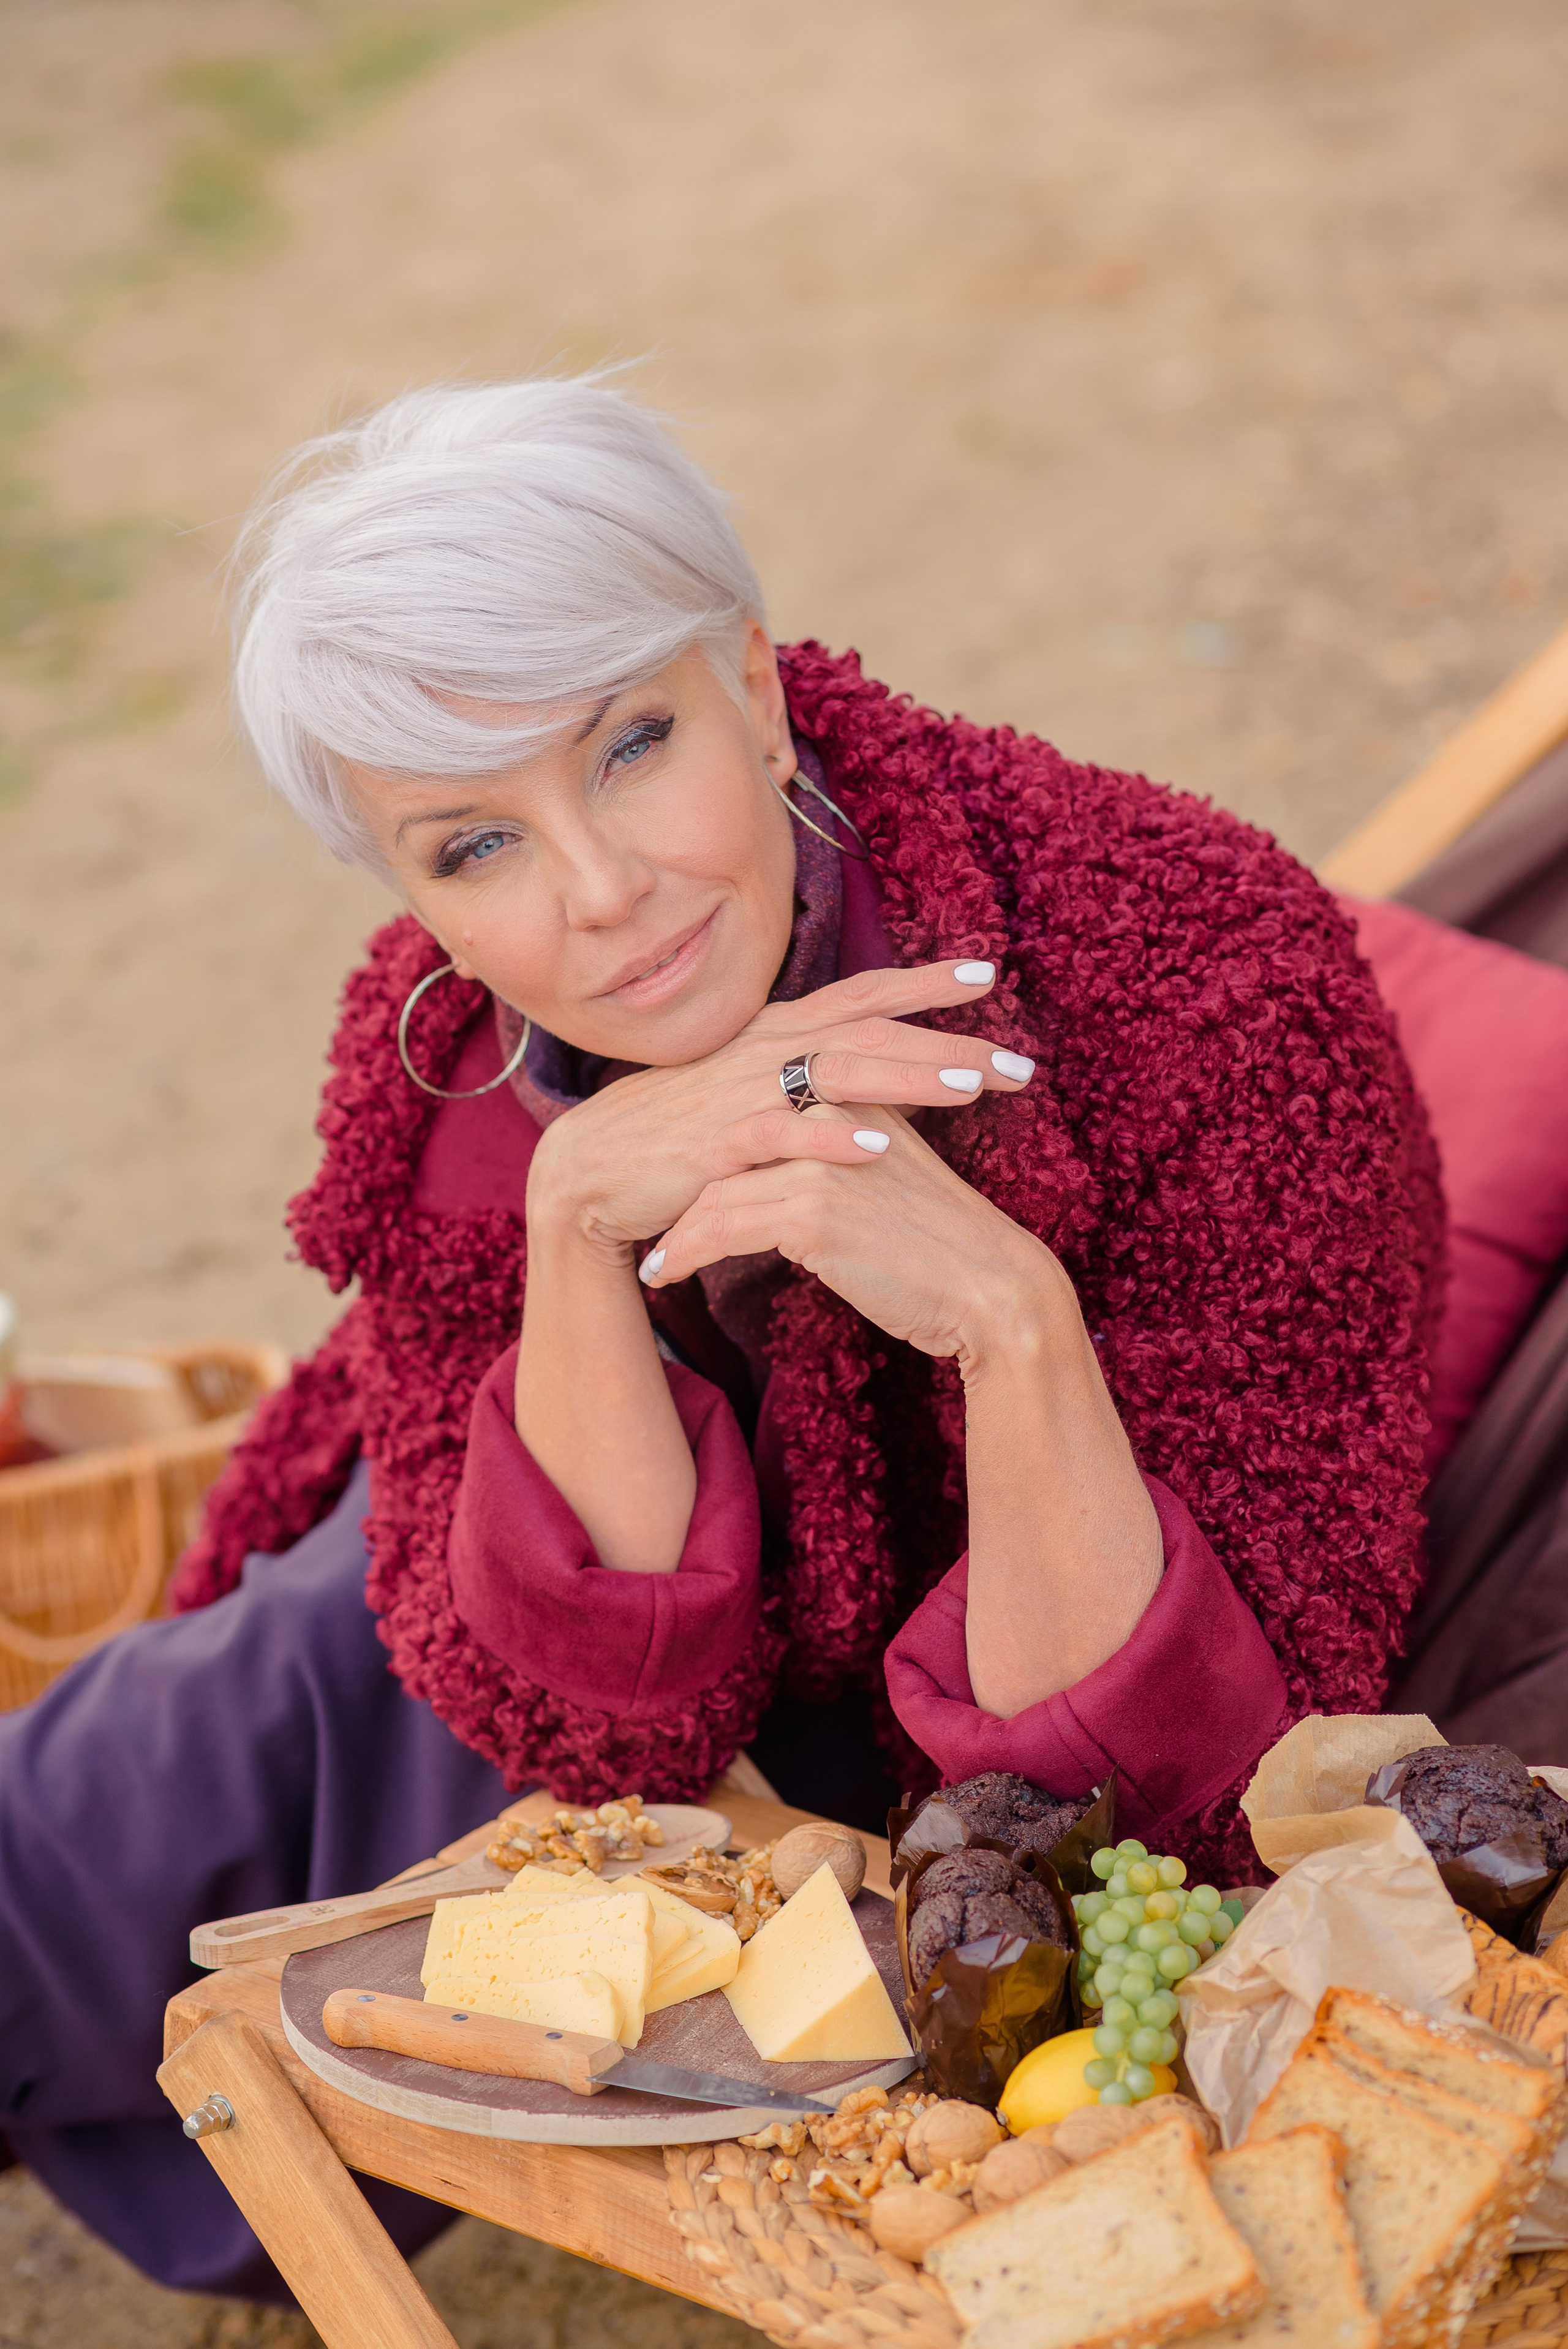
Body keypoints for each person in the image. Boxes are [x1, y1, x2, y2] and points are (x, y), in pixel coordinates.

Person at [0, 374, 1441, 2299]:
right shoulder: (437, 1043)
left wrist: (1014, 1323)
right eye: (471, 846)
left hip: (955, 1732)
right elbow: (594, 1736)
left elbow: (1181, 1806)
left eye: (631, 743)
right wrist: (575, 1223)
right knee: (135, 1786)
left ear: (757, 684)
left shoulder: (1199, 969)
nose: (601, 897)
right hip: (516, 1627)